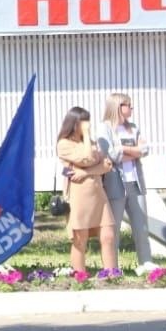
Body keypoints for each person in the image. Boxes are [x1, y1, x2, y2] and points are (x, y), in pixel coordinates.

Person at [56, 106, 118, 273]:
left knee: (108, 235)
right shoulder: (64, 144)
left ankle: (111, 273)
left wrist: (85, 172)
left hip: (98, 193)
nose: (87, 125)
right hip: (79, 195)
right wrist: (88, 137)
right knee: (80, 238)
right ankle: (80, 275)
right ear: (74, 123)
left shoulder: (91, 142)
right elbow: (87, 158)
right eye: (83, 122)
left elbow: (106, 165)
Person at [97, 93, 153, 266]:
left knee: (142, 228)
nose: (131, 108)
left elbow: (145, 149)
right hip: (116, 184)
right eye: (128, 105)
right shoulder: (104, 128)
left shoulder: (133, 127)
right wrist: (133, 151)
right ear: (117, 106)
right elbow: (112, 154)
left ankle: (146, 264)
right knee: (114, 228)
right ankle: (112, 267)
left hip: (135, 182)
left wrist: (124, 149)